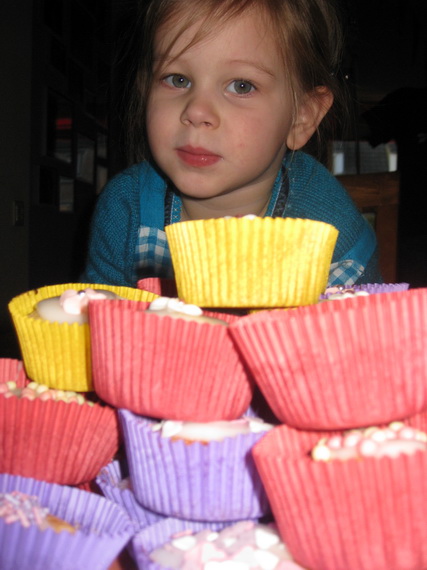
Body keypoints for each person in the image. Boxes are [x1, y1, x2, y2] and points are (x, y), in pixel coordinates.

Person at [82, 0, 382, 288]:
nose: (197, 112)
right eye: (177, 80)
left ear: (301, 117)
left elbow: (363, 336)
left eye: (241, 86)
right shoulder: (124, 211)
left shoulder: (331, 231)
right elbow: (95, 327)